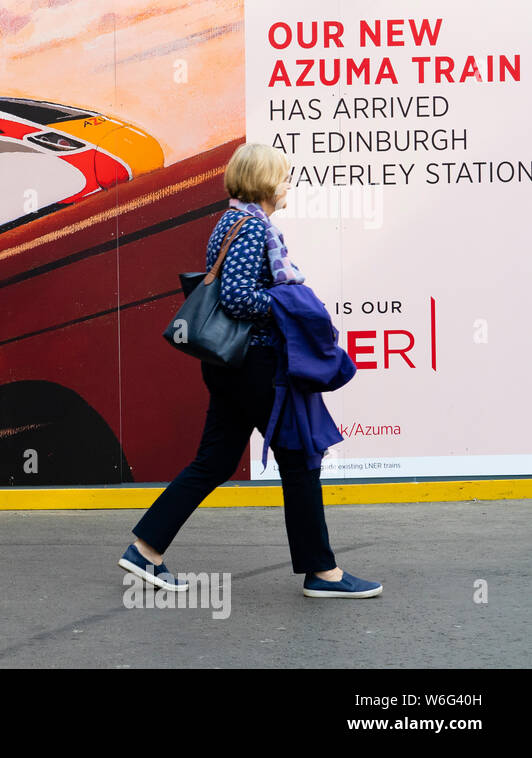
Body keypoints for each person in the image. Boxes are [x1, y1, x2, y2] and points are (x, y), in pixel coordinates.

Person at [118, 143, 382, 599]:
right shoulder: (252, 228)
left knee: (215, 460)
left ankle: (146, 549)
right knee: (299, 460)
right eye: (283, 177)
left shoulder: (233, 221)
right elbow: (237, 296)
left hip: (232, 366)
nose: (288, 185)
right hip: (254, 365)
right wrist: (286, 307)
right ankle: (322, 573)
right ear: (262, 182)